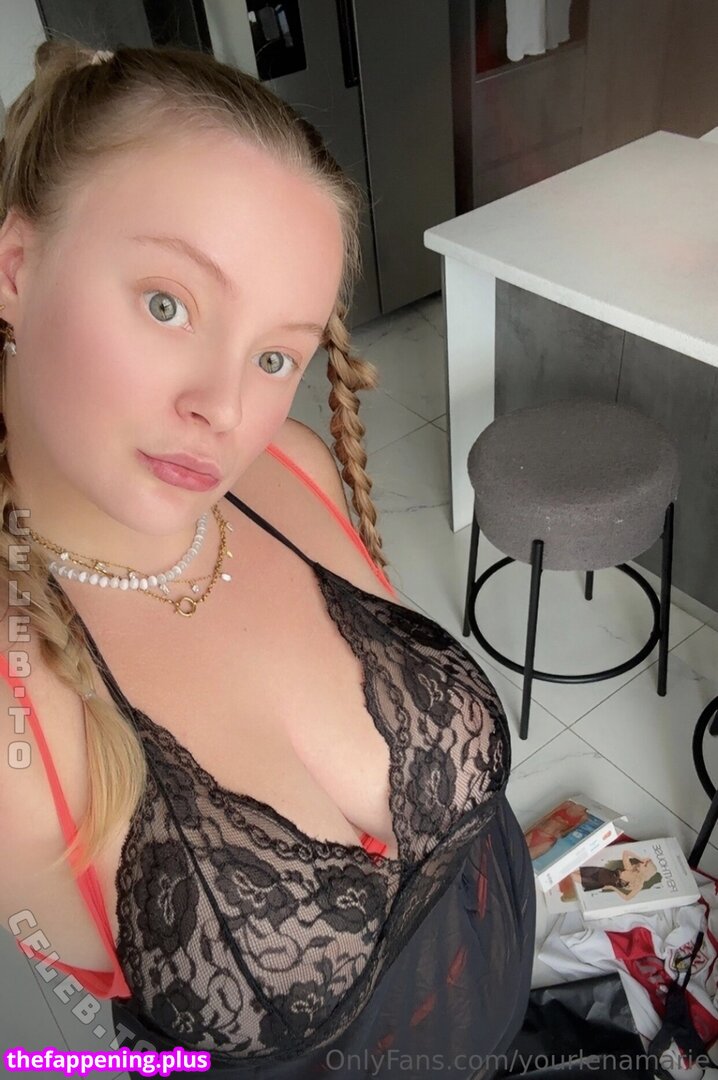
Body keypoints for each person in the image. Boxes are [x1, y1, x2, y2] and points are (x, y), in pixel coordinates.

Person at [0, 40, 535, 1078]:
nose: (225, 407)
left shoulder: (289, 468)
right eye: (167, 303)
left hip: (498, 982)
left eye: (275, 353)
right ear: (17, 267)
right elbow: (43, 1059)